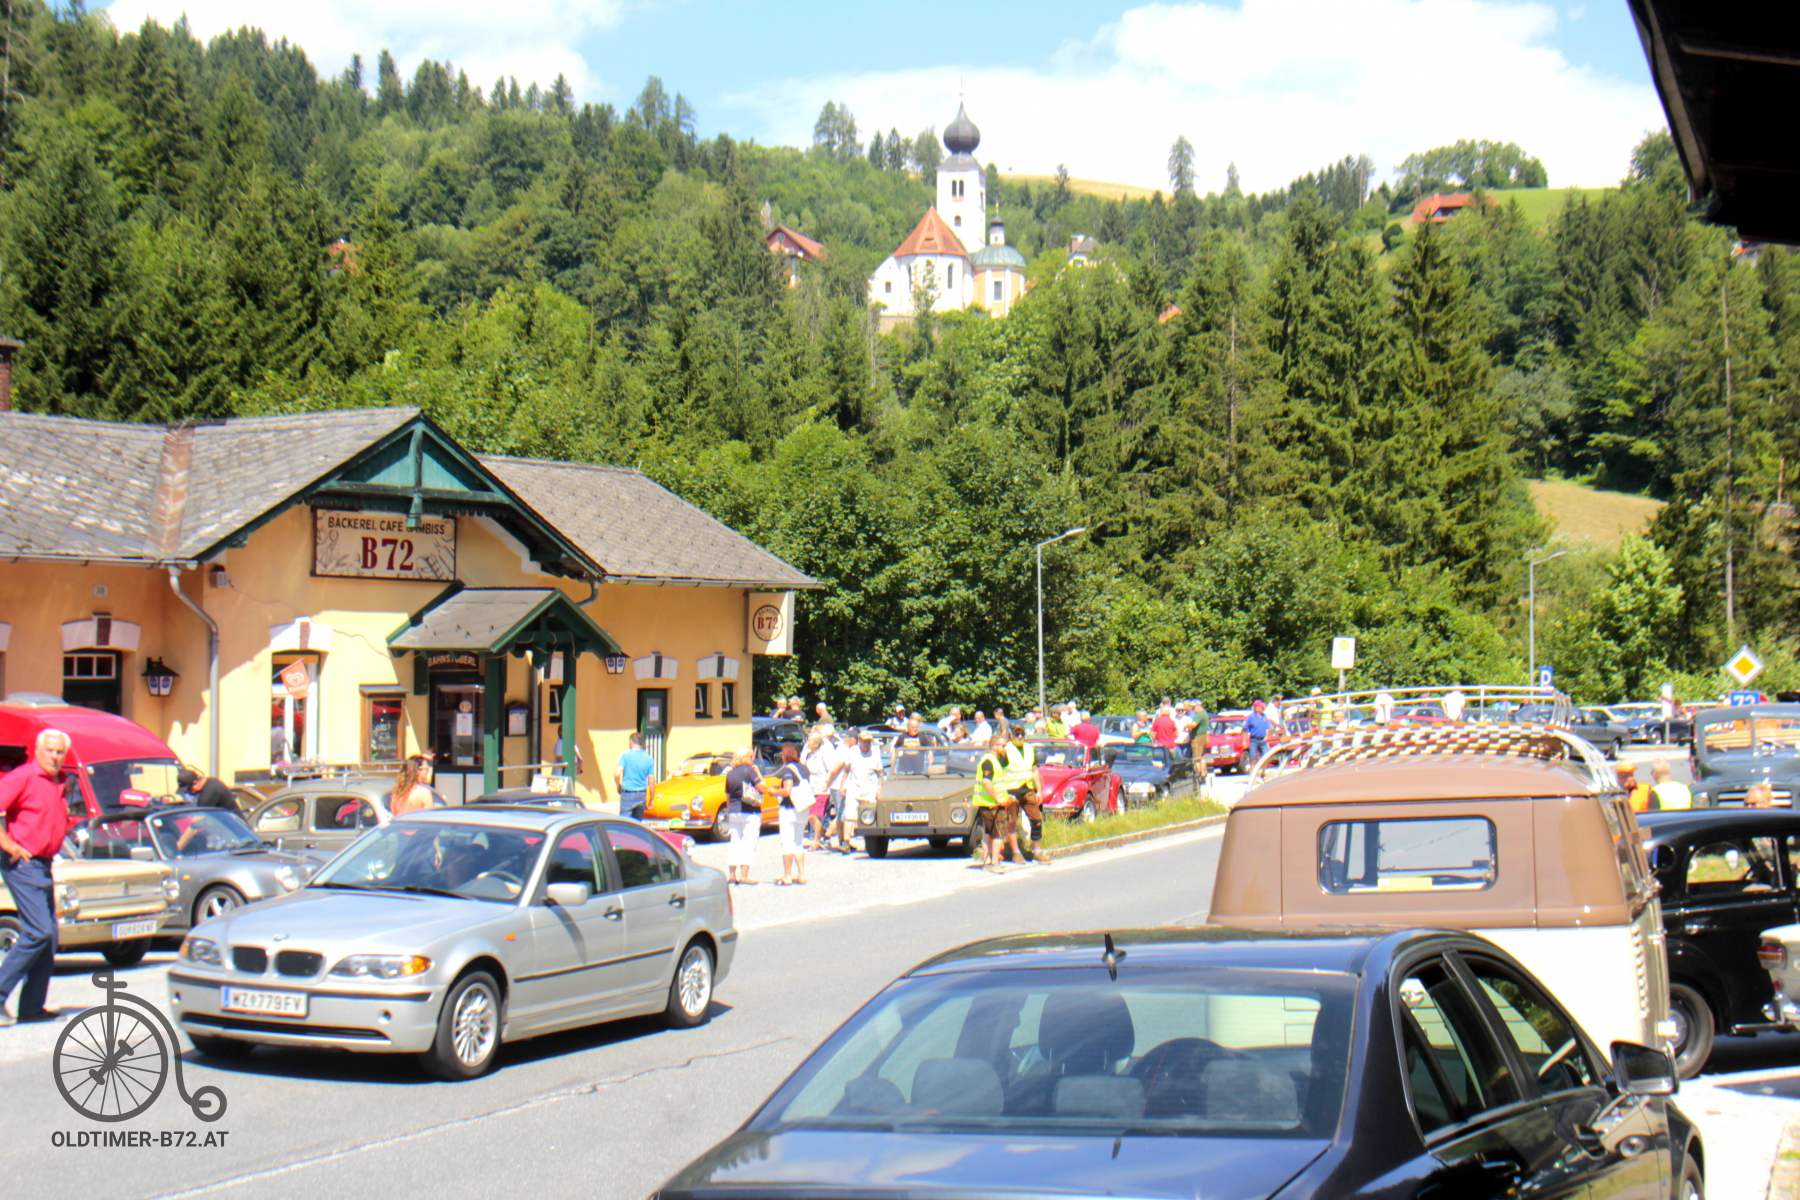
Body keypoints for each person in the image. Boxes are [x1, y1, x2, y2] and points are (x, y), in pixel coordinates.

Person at [0, 728, 75, 1025]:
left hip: (44, 864)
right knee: (38, 931)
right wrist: (9, 845)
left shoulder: (60, 782)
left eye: (60, 752)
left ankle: (32, 1007)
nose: (55, 756)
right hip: (22, 862)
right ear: (37, 750)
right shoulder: (23, 776)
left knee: (50, 936)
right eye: (50, 750)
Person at [837, 729, 884, 853]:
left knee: (870, 816)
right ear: (859, 741)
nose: (867, 744)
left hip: (870, 789)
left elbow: (880, 773)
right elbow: (846, 770)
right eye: (865, 741)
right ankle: (846, 843)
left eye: (869, 742)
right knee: (849, 816)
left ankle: (870, 843)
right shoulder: (853, 751)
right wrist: (842, 785)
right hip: (854, 788)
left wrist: (880, 788)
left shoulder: (875, 752)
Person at [1003, 727, 1044, 864]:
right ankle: (1016, 853)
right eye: (1017, 734)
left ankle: (1037, 852)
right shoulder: (1006, 749)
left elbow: (1034, 770)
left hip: (1028, 789)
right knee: (1012, 822)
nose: (1020, 737)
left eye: (1022, 734)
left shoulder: (1029, 748)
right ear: (1012, 735)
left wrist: (1039, 790)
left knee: (1037, 819)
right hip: (1011, 790)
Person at [722, 746, 763, 884]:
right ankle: (744, 876)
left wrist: (730, 810)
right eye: (750, 756)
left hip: (734, 811)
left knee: (735, 842)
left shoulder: (730, 774)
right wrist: (758, 773)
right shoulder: (749, 770)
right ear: (744, 757)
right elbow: (762, 787)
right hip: (750, 810)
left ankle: (732, 875)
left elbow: (728, 795)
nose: (752, 758)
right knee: (749, 842)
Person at [773, 743, 811, 885]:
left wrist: (774, 792)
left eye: (783, 753)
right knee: (798, 843)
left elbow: (787, 791)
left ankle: (788, 876)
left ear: (787, 755)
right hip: (802, 808)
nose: (781, 756)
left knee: (787, 843)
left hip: (789, 809)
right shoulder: (804, 768)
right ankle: (801, 874)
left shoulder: (788, 769)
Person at [974, 734, 1012, 871]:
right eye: (1003, 746)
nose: (1005, 748)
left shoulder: (993, 760)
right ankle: (994, 863)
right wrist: (997, 799)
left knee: (989, 833)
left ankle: (988, 862)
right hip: (992, 804)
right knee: (998, 833)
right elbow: (986, 782)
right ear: (995, 746)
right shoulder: (989, 761)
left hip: (989, 803)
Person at [821, 729, 857, 851]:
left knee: (840, 814)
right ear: (851, 740)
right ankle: (825, 837)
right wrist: (828, 783)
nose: (857, 743)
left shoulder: (840, 748)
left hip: (836, 786)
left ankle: (842, 843)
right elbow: (837, 768)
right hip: (839, 787)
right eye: (856, 740)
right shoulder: (845, 750)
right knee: (842, 815)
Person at [801, 733, 835, 849]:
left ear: (816, 743)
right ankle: (823, 836)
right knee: (810, 815)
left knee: (813, 815)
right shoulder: (808, 754)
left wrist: (827, 783)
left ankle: (815, 841)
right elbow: (802, 766)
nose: (807, 743)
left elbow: (831, 770)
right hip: (809, 788)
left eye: (809, 741)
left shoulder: (823, 753)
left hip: (821, 789)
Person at [615, 732, 656, 820]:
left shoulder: (625, 755)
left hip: (628, 794)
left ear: (631, 742)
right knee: (637, 823)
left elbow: (617, 774)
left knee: (625, 822)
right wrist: (652, 799)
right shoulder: (649, 758)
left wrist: (618, 785)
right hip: (641, 794)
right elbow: (652, 781)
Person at [390, 754, 441, 818]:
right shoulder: (424, 793)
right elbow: (429, 818)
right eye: (426, 768)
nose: (428, 771)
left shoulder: (397, 793)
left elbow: (394, 816)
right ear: (417, 771)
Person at [177, 766, 242, 815]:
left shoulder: (209, 792)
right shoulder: (212, 782)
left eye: (188, 790)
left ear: (195, 783)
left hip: (234, 827)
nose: (188, 793)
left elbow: (197, 820)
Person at [1244, 700, 1272, 766]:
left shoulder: (1264, 716)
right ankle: (1253, 771)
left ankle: (1263, 771)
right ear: (1257, 708)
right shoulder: (1251, 717)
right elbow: (1245, 729)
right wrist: (1244, 741)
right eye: (1262, 707)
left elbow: (1267, 727)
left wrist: (1267, 736)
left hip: (1263, 740)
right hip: (1254, 740)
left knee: (1265, 758)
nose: (1263, 708)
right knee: (1253, 759)